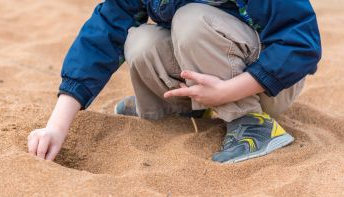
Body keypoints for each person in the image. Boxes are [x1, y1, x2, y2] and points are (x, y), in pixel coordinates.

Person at [28, 0, 321, 163]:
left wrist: (227, 91)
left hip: (269, 86)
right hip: (212, 72)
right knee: (140, 40)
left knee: (190, 20)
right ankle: (178, 112)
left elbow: (302, 45)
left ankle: (252, 122)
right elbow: (102, 35)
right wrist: (56, 126)